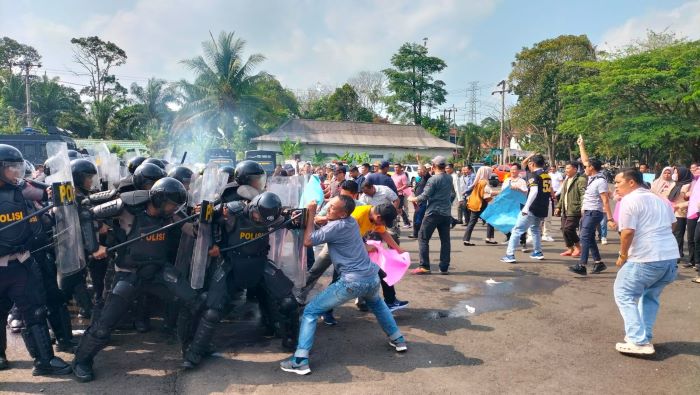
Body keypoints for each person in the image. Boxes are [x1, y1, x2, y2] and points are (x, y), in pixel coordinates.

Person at [71, 177, 197, 382]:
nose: (173, 209)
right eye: (170, 204)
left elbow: (193, 230)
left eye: (176, 206)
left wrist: (207, 217)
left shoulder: (172, 213)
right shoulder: (127, 205)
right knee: (105, 324)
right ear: (158, 199)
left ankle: (192, 349)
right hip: (128, 273)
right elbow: (86, 213)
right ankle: (81, 361)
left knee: (192, 300)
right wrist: (95, 246)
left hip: (158, 271)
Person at [280, 196, 407, 375]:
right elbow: (325, 228)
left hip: (352, 282)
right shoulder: (351, 222)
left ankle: (300, 360)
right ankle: (398, 339)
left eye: (332, 208)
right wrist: (314, 218)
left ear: (343, 213)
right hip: (371, 277)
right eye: (329, 205)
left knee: (310, 311)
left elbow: (308, 241)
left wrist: (311, 214)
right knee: (378, 304)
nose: (328, 208)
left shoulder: (337, 225)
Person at [0, 144, 72, 375]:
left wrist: (64, 191)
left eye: (18, 167)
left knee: (35, 312)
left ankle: (44, 361)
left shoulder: (21, 189)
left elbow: (51, 194)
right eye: (11, 168)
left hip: (21, 263)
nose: (17, 172)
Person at [612, 168, 679, 355]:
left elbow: (627, 231)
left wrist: (622, 255)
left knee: (624, 293)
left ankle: (638, 340)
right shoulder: (658, 199)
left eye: (618, 182)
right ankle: (644, 337)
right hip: (669, 258)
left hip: (646, 258)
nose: (616, 187)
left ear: (631, 182)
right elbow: (673, 224)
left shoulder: (629, 200)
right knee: (649, 296)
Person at [568, 136, 614, 275]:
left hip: (594, 212)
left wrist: (610, 219)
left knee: (584, 237)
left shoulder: (600, 180)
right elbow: (585, 160)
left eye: (587, 167)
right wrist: (581, 146)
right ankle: (598, 263)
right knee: (588, 237)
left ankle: (582, 265)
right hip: (588, 211)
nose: (585, 167)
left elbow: (605, 200)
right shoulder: (592, 177)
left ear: (592, 168)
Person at [500, 154, 551, 264]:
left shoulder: (533, 175)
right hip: (542, 207)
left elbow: (534, 191)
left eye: (530, 163)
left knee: (517, 230)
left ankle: (509, 255)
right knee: (535, 229)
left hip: (532, 207)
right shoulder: (546, 175)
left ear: (532, 164)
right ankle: (537, 252)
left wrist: (526, 207)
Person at [408, 156, 453, 274]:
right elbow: (452, 195)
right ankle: (444, 267)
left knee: (422, 237)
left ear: (433, 166)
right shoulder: (449, 178)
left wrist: (412, 198)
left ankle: (424, 266)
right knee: (445, 241)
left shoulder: (433, 179)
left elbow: (424, 196)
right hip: (446, 213)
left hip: (433, 212)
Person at [555, 161, 587, 257]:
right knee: (563, 229)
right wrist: (558, 207)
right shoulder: (567, 179)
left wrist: (583, 207)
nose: (566, 170)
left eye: (568, 168)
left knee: (569, 228)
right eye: (566, 168)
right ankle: (570, 248)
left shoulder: (580, 180)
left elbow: (583, 195)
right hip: (565, 209)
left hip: (574, 208)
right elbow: (562, 195)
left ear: (575, 169)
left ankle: (578, 247)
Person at [462, 166, 498, 245]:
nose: (490, 173)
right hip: (482, 204)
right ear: (486, 173)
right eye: (489, 172)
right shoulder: (484, 182)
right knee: (490, 219)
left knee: (472, 222)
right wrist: (500, 192)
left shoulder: (477, 181)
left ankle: (466, 239)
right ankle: (489, 238)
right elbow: (490, 192)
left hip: (475, 203)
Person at [668, 167, 692, 262]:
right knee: (675, 234)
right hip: (674, 212)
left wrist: (679, 205)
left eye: (677, 173)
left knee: (678, 235)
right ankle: (678, 253)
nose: (675, 174)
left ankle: (677, 255)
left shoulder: (687, 185)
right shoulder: (675, 184)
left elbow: (691, 200)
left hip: (682, 213)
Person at [408, 164, 431, 239]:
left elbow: (426, 173)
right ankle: (416, 234)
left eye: (419, 170)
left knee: (419, 219)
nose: (417, 171)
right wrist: (414, 189)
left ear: (424, 171)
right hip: (418, 201)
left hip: (423, 202)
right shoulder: (419, 178)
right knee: (416, 218)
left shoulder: (427, 178)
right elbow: (418, 187)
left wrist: (420, 162)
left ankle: (420, 234)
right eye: (417, 170)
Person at [391, 163, 411, 228]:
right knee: (396, 208)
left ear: (400, 168)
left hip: (400, 194)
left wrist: (398, 190)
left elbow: (405, 185)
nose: (395, 169)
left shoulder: (403, 175)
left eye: (397, 167)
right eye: (394, 167)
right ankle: (395, 223)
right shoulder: (393, 175)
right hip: (393, 194)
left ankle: (407, 223)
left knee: (399, 209)